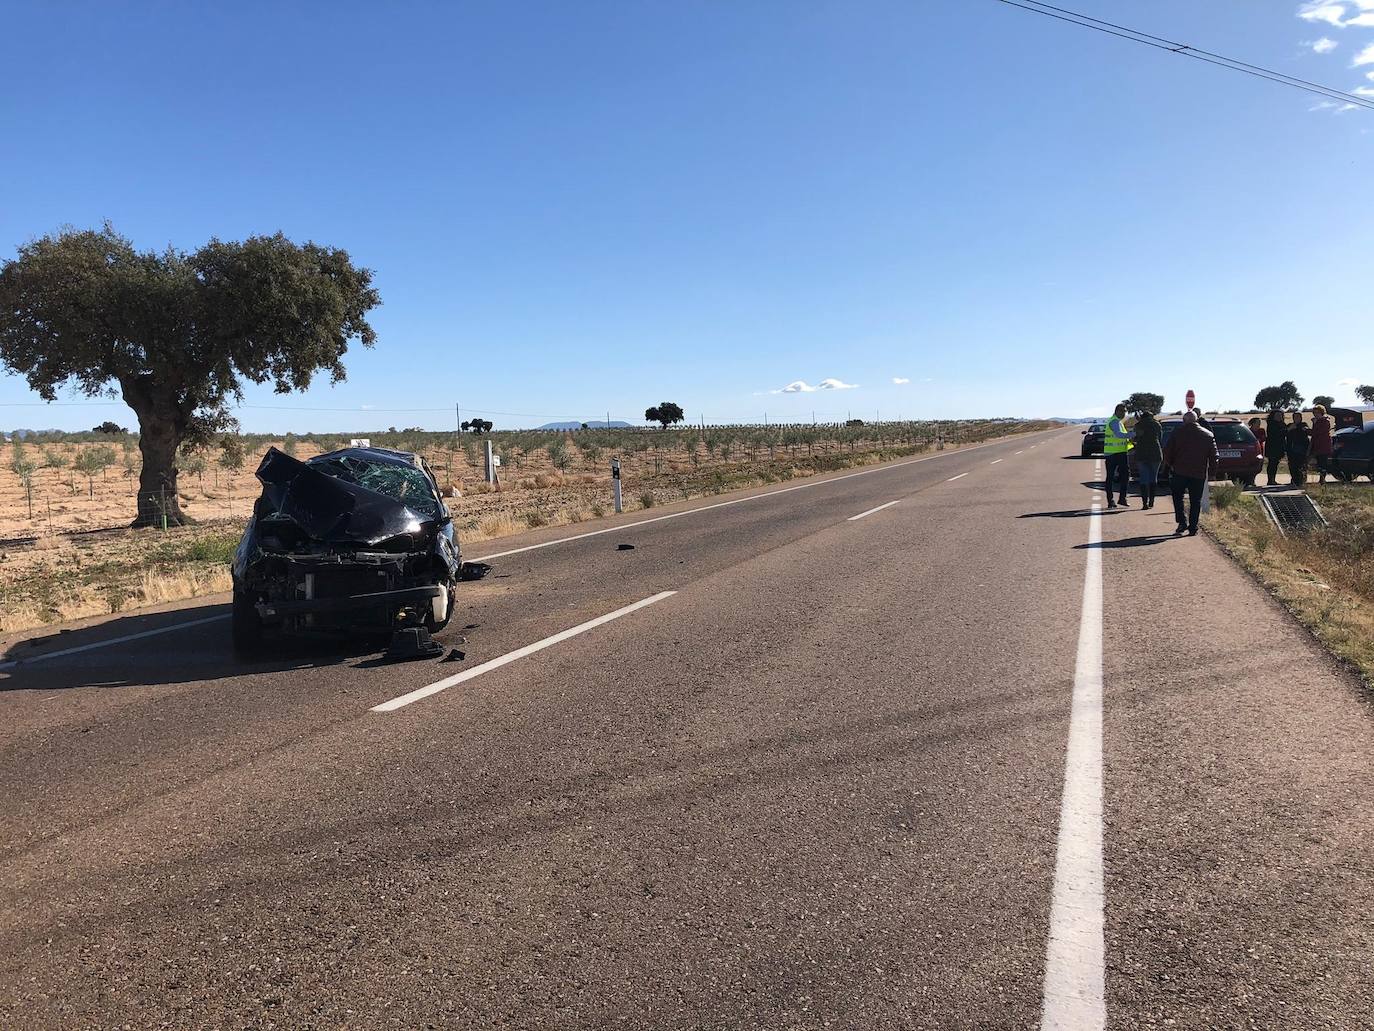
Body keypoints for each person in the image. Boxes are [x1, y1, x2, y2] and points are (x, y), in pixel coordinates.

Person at [1162, 410, 1218, 536]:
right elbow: (1214, 456)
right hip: (1198, 473)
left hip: (1179, 471)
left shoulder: (1177, 433)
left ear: (1184, 421)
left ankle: (1182, 522)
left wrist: (1170, 465)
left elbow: (1167, 451)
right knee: (1195, 501)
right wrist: (1212, 472)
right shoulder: (1208, 435)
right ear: (1197, 420)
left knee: (1177, 497)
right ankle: (1193, 527)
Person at [1131, 409, 1163, 509]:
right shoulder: (1157, 424)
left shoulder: (1138, 425)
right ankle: (1151, 501)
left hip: (1142, 454)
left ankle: (1144, 503)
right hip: (1155, 453)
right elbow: (1160, 438)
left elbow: (1134, 438)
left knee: (1143, 478)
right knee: (1153, 478)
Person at [1102, 403, 1132, 509]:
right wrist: (1134, 434)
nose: (1124, 413)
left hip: (1119, 453)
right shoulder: (1114, 421)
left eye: (1125, 411)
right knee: (1112, 477)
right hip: (1114, 454)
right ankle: (1113, 500)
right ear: (1116, 411)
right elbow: (1119, 435)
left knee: (1122, 476)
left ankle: (1120, 499)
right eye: (1122, 411)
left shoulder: (1118, 422)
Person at [1286, 410, 1311, 488]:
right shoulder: (1290, 425)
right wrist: (1290, 429)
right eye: (1295, 417)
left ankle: (1301, 480)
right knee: (1292, 465)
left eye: (1298, 417)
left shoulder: (1303, 425)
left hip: (1302, 448)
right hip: (1291, 448)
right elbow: (1285, 433)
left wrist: (1305, 429)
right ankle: (1294, 479)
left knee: (1301, 464)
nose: (1297, 418)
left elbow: (1308, 432)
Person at [1310, 403, 1333, 484]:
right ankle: (1321, 479)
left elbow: (1316, 432)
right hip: (1318, 445)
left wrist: (1313, 425)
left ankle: (1322, 480)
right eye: (1314, 413)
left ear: (1322, 412)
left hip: (1324, 445)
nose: (1316, 414)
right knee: (1320, 463)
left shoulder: (1325, 421)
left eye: (1317, 413)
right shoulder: (1319, 421)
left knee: (1323, 463)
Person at [1264, 409, 1288, 486]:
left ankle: (1272, 480)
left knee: (1275, 463)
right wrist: (1288, 430)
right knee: (1272, 463)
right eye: (1277, 415)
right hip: (1272, 447)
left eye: (1280, 415)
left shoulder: (1282, 424)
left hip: (1280, 447)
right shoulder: (1271, 424)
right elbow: (1277, 434)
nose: (1279, 417)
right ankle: (1270, 480)